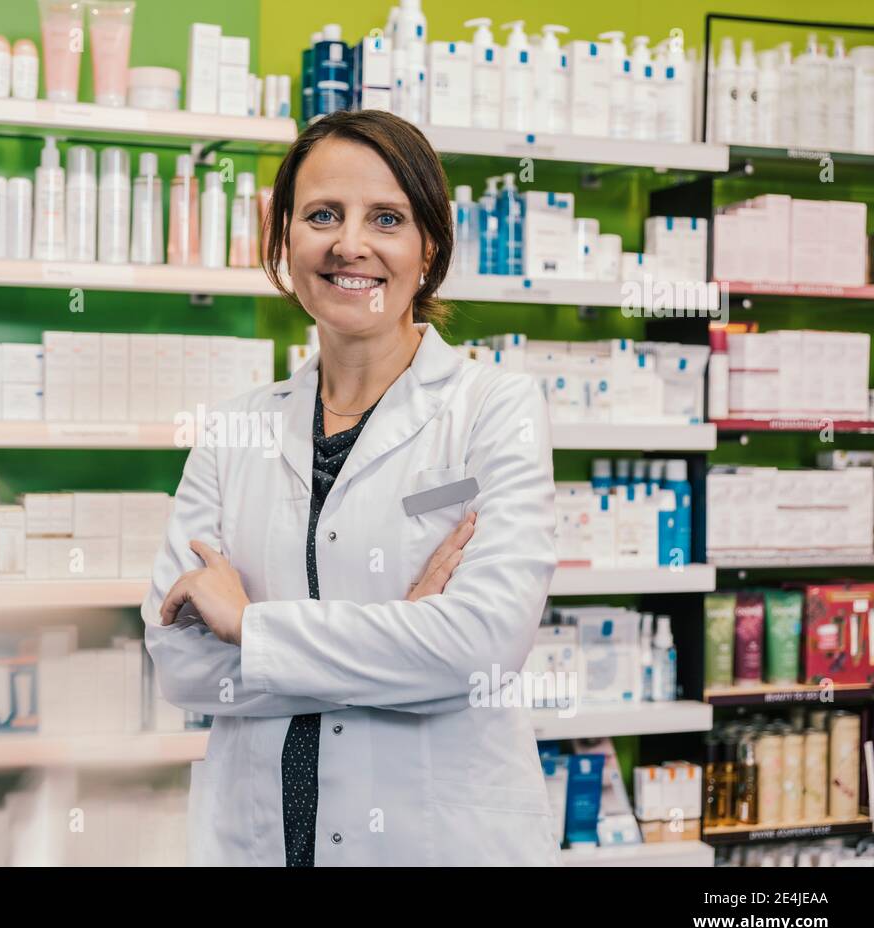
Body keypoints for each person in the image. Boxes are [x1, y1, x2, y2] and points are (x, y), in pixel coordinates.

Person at [141, 110, 561, 866]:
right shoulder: (234, 430)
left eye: (388, 218)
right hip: (264, 840)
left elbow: (479, 649)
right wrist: (400, 634)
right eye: (323, 215)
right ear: (285, 241)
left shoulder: (494, 410)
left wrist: (251, 626)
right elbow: (181, 665)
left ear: (429, 249)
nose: (350, 244)